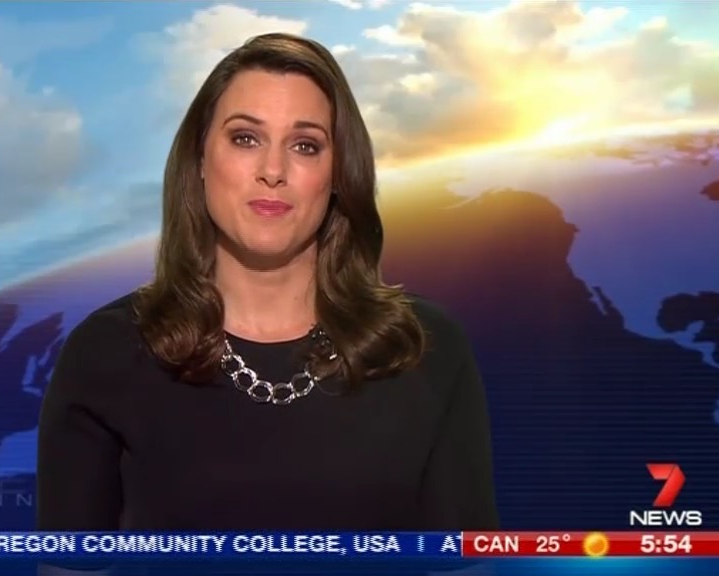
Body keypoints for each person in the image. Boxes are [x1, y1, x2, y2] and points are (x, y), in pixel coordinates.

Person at [36, 32, 499, 533]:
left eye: (305, 145)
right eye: (245, 138)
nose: (273, 170)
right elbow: (70, 565)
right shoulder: (106, 351)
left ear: (338, 174)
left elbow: (466, 563)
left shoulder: (422, 348)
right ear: (199, 160)